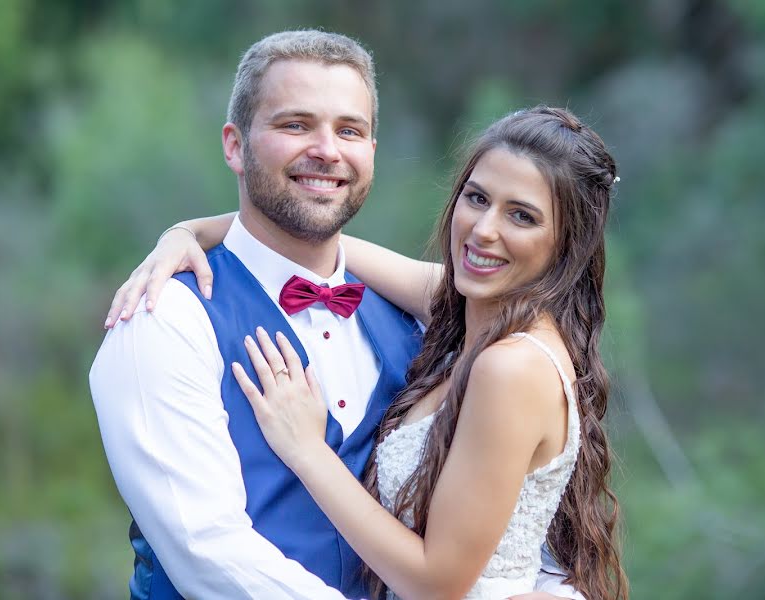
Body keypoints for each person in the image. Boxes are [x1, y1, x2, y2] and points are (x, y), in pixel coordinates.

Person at [91, 29, 577, 599]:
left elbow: (500, 510)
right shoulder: (164, 317)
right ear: (234, 145)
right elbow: (209, 553)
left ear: (372, 150)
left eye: (349, 130)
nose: (327, 149)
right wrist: (188, 231)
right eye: (295, 125)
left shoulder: (432, 320)